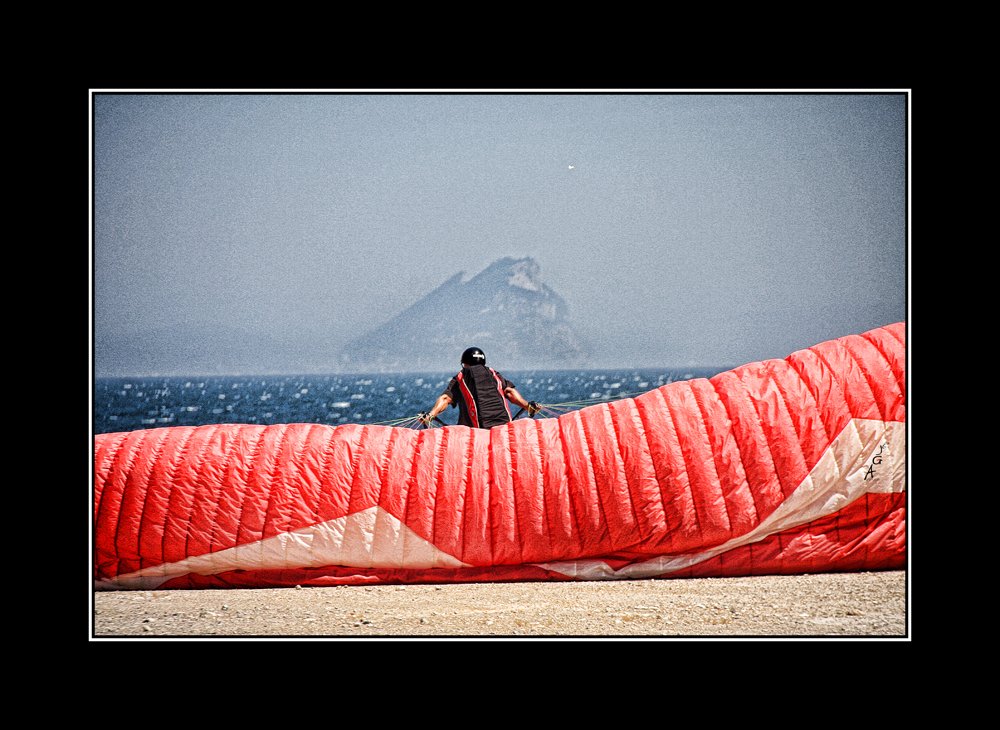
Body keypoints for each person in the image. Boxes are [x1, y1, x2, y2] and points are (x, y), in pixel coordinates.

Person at [420, 347, 539, 429]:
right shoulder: (493, 374)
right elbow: (510, 392)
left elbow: (445, 399)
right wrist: (528, 406)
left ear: (465, 364)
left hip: (473, 432)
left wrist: (431, 415)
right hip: (502, 429)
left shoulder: (461, 377)